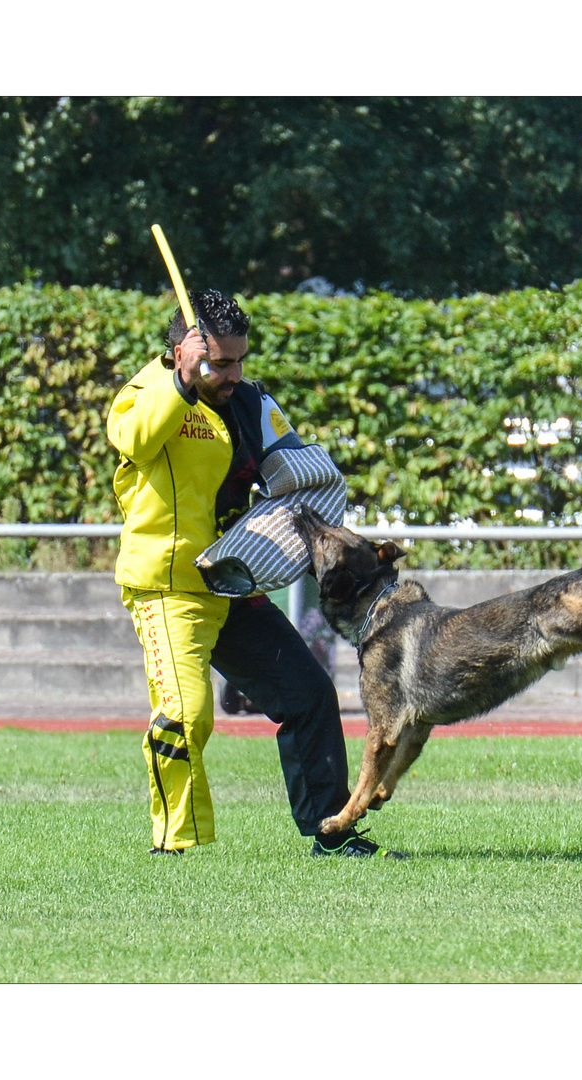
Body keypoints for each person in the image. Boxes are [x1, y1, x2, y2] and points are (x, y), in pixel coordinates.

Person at [106, 288, 404, 858]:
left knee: (309, 694)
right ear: (181, 351)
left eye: (240, 359)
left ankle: (331, 835)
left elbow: (298, 468)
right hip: (169, 590)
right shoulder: (145, 393)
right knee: (185, 714)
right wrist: (181, 384)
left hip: (230, 583)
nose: (233, 373)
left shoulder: (249, 400)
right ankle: (174, 845)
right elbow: (137, 439)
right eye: (220, 362)